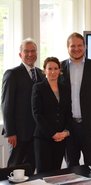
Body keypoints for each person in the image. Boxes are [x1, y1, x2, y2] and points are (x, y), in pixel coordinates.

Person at [61, 32, 91, 167]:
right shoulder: (59, 68)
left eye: (79, 45)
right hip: (68, 128)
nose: (76, 49)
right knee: (72, 167)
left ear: (85, 46)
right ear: (67, 48)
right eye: (72, 46)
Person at [1, 38, 45, 172]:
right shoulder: (12, 74)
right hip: (18, 135)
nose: (30, 54)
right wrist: (10, 132)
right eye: (27, 51)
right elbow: (6, 104)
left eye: (33, 51)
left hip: (36, 133)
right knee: (15, 170)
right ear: (20, 54)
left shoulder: (41, 73)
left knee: (31, 169)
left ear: (36, 53)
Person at [31, 57, 71, 173]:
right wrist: (52, 134)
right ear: (44, 71)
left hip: (61, 138)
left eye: (55, 68)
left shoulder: (65, 89)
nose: (53, 71)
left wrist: (66, 132)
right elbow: (37, 113)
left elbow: (67, 112)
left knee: (56, 173)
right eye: (50, 69)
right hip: (43, 138)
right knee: (43, 174)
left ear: (60, 70)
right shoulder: (38, 88)